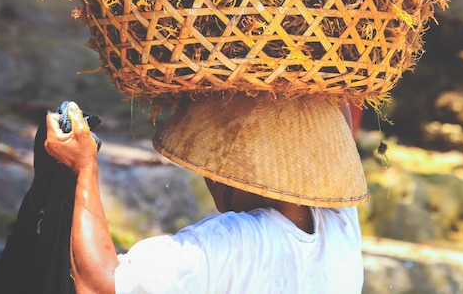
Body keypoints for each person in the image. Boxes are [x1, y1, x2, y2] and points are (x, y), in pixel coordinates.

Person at [44, 93, 369, 293]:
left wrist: (84, 168)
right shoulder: (339, 223)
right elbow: (340, 120)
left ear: (231, 175)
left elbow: (103, 287)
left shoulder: (235, 244)